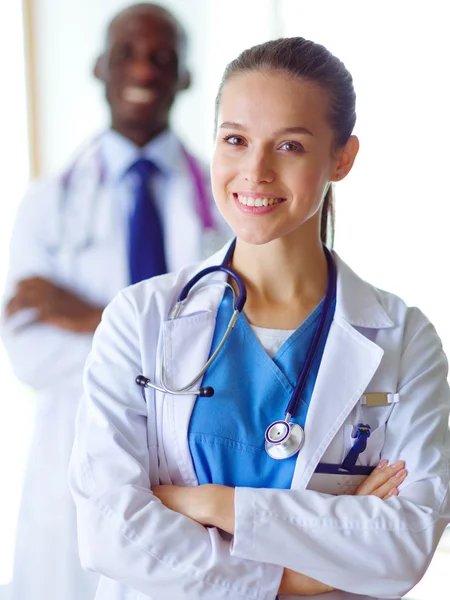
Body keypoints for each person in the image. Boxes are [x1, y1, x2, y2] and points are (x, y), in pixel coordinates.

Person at [68, 36, 450, 600]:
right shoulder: (141, 317)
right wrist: (300, 571)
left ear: (341, 159)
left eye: (290, 146)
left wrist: (211, 505)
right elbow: (111, 532)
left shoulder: (404, 338)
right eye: (236, 140)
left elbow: (404, 545)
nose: (255, 170)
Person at [1, 4, 228, 600]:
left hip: (186, 466)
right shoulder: (47, 203)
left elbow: (233, 346)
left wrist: (90, 316)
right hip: (70, 455)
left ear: (185, 77)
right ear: (98, 67)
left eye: (162, 58)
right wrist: (169, 348)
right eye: (127, 53)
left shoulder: (225, 203)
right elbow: (29, 355)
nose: (144, 70)